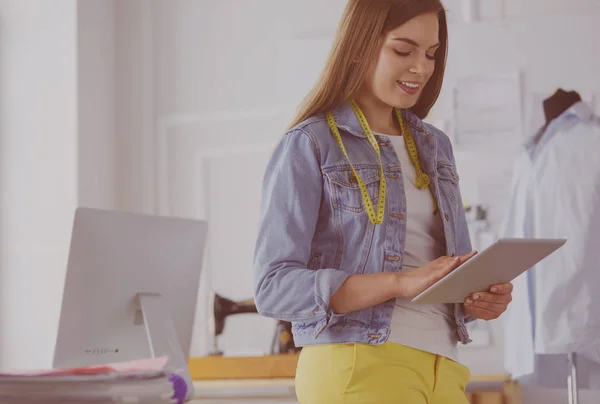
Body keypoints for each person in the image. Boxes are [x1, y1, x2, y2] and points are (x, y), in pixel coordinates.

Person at [253, 1, 513, 403]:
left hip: (444, 366)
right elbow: (273, 288)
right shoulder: (310, 143)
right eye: (403, 50)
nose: (422, 69)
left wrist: (477, 299)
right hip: (359, 362)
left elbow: (440, 273)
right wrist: (399, 283)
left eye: (431, 54)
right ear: (360, 45)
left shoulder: (435, 146)